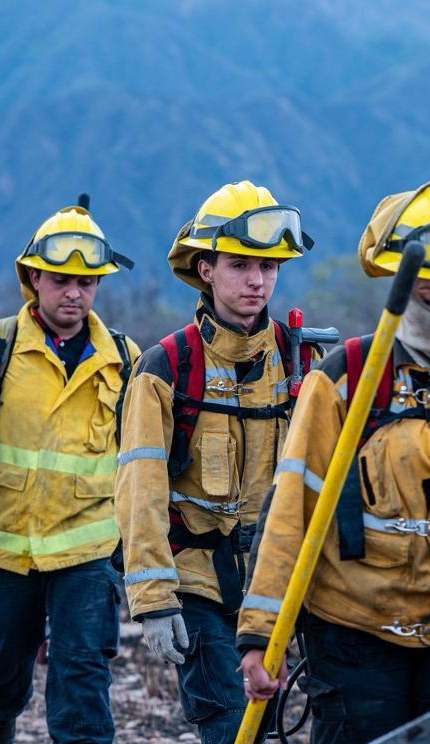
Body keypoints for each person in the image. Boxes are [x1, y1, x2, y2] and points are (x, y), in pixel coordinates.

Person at [239, 176, 430, 744]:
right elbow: (290, 508)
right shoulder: (346, 379)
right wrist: (259, 635)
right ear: (400, 287)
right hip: (352, 627)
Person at [0, 203, 140, 744]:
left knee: (83, 673)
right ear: (33, 279)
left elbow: (142, 463)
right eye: (62, 279)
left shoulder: (124, 357)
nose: (74, 292)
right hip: (1, 547)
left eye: (86, 281)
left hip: (87, 549)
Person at [114, 180, 318, 743]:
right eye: (239, 265)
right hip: (197, 583)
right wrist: (154, 601)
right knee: (230, 728)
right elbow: (141, 489)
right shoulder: (166, 368)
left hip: (277, 585)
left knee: (275, 724)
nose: (257, 280)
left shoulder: (302, 362)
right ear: (205, 268)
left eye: (269, 267)